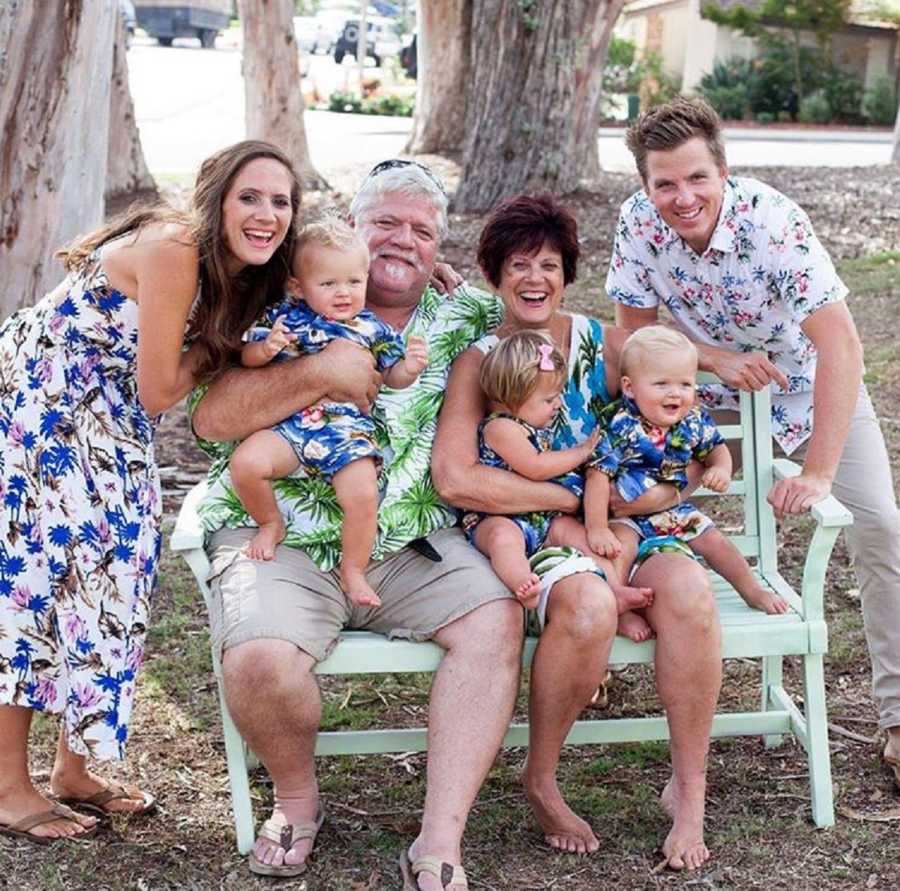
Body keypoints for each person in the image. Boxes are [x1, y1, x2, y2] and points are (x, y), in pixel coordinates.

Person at [188, 160, 522, 888]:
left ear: (440, 248)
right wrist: (322, 370)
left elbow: (543, 315)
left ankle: (439, 837)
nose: (403, 241)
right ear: (351, 232)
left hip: (411, 545)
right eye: (386, 224)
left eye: (421, 231)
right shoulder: (285, 305)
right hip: (286, 537)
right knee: (258, 661)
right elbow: (210, 419)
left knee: (494, 622)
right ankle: (298, 799)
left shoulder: (461, 317)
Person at [0, 140, 300, 842]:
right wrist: (233, 346)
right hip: (41, 407)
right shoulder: (174, 250)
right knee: (34, 585)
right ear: (216, 198)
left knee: (117, 578)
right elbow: (161, 388)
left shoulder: (241, 267)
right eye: (249, 197)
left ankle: (75, 770)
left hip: (108, 414)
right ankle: (8, 786)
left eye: (280, 201)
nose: (266, 214)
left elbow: (326, 272)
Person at [607, 96, 900, 784]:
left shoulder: (773, 222)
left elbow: (842, 345)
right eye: (664, 184)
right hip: (691, 397)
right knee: (618, 500)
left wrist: (820, 470)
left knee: (882, 526)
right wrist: (707, 359)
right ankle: (596, 641)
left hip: (802, 387)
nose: (682, 198)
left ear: (724, 169)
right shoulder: (637, 224)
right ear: (645, 185)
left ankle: (897, 717)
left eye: (696, 178)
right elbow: (628, 337)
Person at [433, 193, 721, 870]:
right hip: (533, 538)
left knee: (689, 595)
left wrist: (674, 479)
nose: (536, 278)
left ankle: (688, 791)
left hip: (619, 526)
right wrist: (572, 493)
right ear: (493, 273)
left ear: (568, 273)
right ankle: (541, 777)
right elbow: (455, 477)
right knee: (589, 603)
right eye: (519, 264)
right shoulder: (483, 361)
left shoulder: (602, 343)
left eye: (551, 264)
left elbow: (671, 380)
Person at [229, 218, 428, 608]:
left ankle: (353, 569)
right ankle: (271, 523)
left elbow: (390, 376)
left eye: (354, 282)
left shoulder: (372, 328)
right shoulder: (284, 320)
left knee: (363, 494)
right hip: (291, 426)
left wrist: (411, 367)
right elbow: (247, 358)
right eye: (329, 284)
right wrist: (265, 350)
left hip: (345, 431)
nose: (344, 293)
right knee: (246, 463)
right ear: (298, 287)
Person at [585, 325, 787, 644]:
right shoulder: (618, 424)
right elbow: (598, 476)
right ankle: (620, 608)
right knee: (617, 552)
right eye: (662, 383)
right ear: (630, 387)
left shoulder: (693, 419)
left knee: (714, 540)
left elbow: (716, 448)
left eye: (685, 384)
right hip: (625, 516)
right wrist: (597, 527)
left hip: (674, 510)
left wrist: (721, 467)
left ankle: (752, 590)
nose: (675, 393)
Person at [462, 330, 602, 604]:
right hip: (496, 517)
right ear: (513, 398)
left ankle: (614, 587)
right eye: (549, 400)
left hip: (540, 518)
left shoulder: (530, 425)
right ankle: (522, 583)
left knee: (575, 533)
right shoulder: (501, 428)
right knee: (504, 539)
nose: (558, 405)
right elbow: (535, 467)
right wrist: (582, 452)